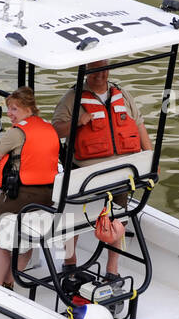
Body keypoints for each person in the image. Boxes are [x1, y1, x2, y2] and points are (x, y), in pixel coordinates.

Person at [50, 59, 153, 278]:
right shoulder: (72, 97)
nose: (101, 75)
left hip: (121, 171)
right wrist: (78, 121)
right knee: (73, 219)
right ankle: (70, 264)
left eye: (104, 70)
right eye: (96, 70)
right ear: (87, 71)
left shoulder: (122, 94)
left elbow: (139, 125)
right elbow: (55, 131)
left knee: (119, 220)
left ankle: (111, 270)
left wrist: (151, 159)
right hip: (85, 172)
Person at [0, 87, 59, 289]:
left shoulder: (18, 132)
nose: (10, 113)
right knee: (27, 237)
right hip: (47, 195)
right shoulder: (48, 128)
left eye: (14, 109)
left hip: (22, 195)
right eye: (9, 109)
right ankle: (11, 280)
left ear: (28, 109)